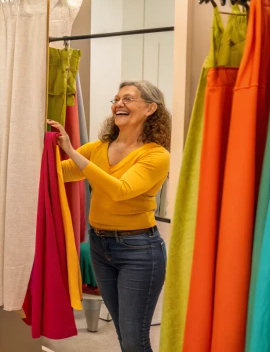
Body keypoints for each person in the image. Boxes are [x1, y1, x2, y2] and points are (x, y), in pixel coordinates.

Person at [49, 80, 171, 352]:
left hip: (139, 251)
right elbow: (60, 173)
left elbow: (120, 190)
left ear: (151, 108)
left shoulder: (156, 155)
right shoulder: (97, 148)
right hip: (101, 246)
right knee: (122, 333)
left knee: (134, 338)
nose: (118, 104)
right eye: (116, 99)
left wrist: (71, 151)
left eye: (127, 98)